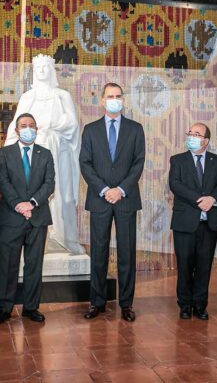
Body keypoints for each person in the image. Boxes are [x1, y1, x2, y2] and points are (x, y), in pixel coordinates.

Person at [5, 54, 84, 254]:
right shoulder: (27, 97)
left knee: (62, 194)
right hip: (34, 154)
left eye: (45, 67)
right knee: (35, 193)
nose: (42, 71)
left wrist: (54, 126)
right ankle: (37, 241)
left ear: (52, 70)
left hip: (60, 151)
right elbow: (16, 126)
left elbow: (73, 125)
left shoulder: (62, 96)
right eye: (38, 67)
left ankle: (66, 238)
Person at [80, 83, 145, 322]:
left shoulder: (136, 129)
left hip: (126, 199)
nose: (114, 100)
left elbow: (138, 163)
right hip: (100, 200)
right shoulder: (90, 130)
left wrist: (120, 190)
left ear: (123, 100)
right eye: (110, 96)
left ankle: (126, 303)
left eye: (118, 96)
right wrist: (106, 190)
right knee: (99, 252)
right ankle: (97, 302)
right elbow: (85, 164)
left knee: (127, 253)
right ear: (102, 101)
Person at [0, 113, 55, 324]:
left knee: (34, 265)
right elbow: (3, 182)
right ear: (17, 130)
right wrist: (20, 205)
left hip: (38, 217)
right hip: (12, 217)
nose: (28, 128)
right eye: (23, 125)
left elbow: (49, 184)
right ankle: (4, 308)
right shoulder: (4, 153)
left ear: (36, 129)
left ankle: (31, 307)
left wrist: (32, 204)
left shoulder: (45, 154)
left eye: (32, 125)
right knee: (8, 265)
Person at [169, 123, 217, 320]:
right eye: (190, 133)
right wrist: (199, 200)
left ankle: (200, 305)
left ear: (206, 140)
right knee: (185, 266)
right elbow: (175, 184)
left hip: (209, 223)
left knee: (204, 266)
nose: (192, 136)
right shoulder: (177, 160)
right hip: (184, 222)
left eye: (197, 134)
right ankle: (184, 305)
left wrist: (213, 199)